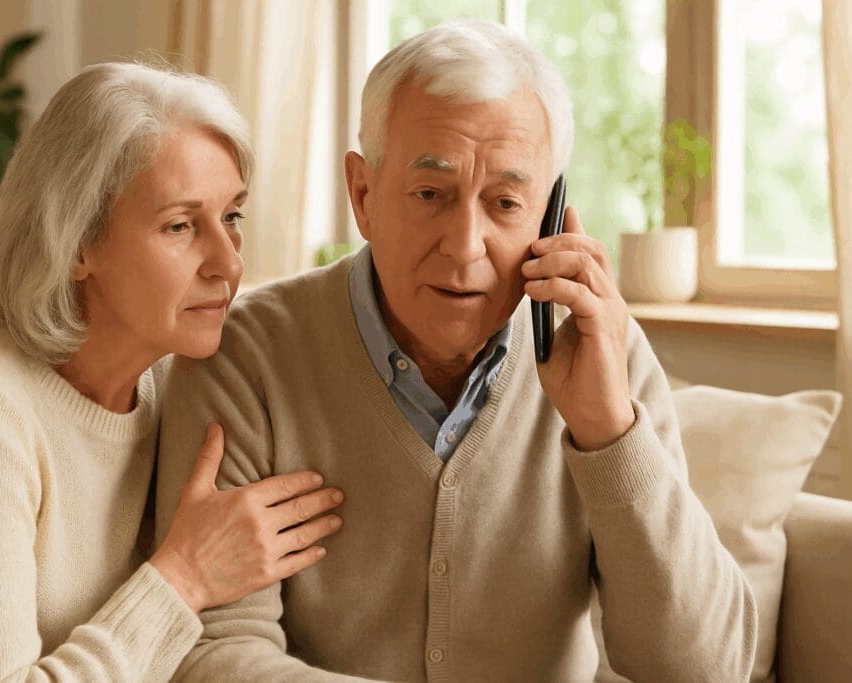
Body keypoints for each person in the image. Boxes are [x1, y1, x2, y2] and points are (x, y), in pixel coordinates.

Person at [155, 21, 757, 682]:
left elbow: (706, 668)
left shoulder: (606, 355)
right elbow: (213, 653)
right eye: (430, 195)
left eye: (505, 203)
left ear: (549, 216)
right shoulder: (245, 356)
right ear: (363, 195)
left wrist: (610, 432)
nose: (466, 244)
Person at [0, 62, 345, 681]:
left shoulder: (169, 383)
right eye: (180, 226)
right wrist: (184, 577)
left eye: (232, 216)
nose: (228, 263)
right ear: (76, 242)